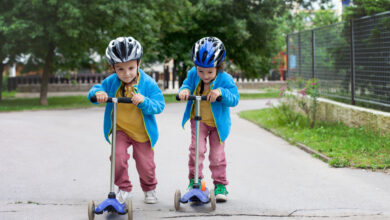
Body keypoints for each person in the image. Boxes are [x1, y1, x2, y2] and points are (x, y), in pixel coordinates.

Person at [88, 36, 165, 204]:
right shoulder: (111, 82)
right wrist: (98, 94)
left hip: (142, 132)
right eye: (120, 69)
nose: (126, 73)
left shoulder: (148, 83)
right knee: (117, 157)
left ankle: (149, 188)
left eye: (130, 67)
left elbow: (159, 105)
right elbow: (95, 91)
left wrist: (144, 102)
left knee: (146, 165)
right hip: (120, 129)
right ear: (113, 68)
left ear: (139, 63)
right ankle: (123, 188)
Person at [177, 37, 239, 202]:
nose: (204, 75)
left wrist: (220, 92)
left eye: (209, 72)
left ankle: (220, 185)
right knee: (196, 150)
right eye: (200, 71)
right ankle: (194, 181)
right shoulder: (192, 73)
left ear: (219, 67)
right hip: (198, 121)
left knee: (217, 156)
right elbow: (187, 84)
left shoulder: (225, 79)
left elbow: (235, 99)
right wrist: (184, 91)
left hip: (218, 125)